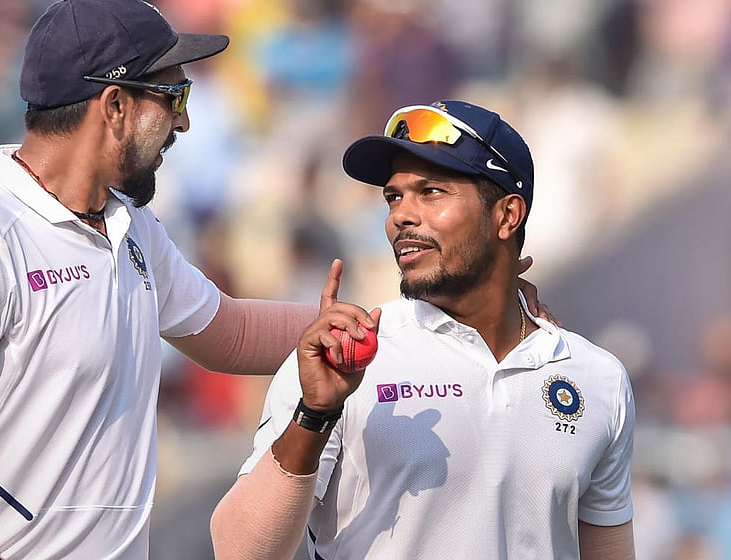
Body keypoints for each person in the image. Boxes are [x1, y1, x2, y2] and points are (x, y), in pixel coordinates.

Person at [0, 0, 553, 560]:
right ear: (113, 107)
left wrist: (437, 318)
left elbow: (228, 331)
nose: (186, 119)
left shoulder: (127, 227)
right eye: (171, 95)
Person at [211, 100, 636, 559]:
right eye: (394, 197)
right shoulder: (340, 363)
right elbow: (238, 552)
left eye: (431, 192)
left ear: (507, 215)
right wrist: (314, 415)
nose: (400, 217)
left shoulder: (598, 378)